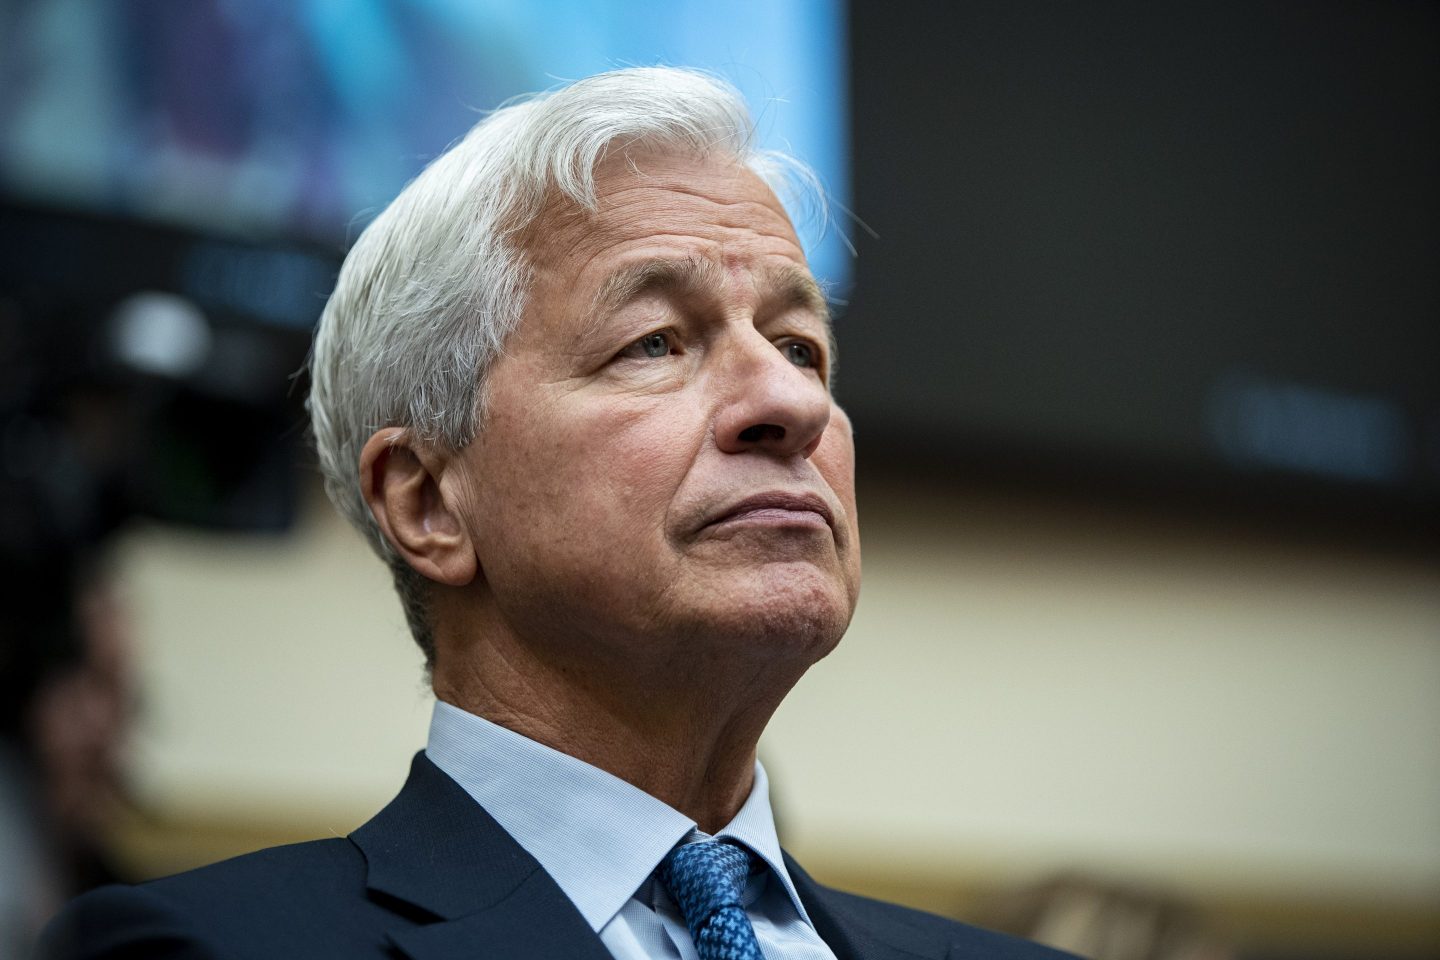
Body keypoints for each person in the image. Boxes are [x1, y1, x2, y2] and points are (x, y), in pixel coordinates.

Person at [40, 67, 1074, 960]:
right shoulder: (210, 947)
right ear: (428, 501)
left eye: (801, 348)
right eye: (655, 342)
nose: (792, 402)